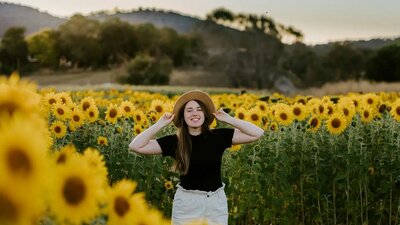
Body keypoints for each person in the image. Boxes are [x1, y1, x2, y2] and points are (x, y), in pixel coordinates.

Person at [129, 90, 264, 225]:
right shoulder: (175, 142)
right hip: (187, 204)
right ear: (183, 116)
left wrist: (229, 119)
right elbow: (136, 146)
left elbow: (257, 133)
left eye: (199, 109)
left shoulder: (219, 136)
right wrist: (159, 124)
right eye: (189, 110)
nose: (195, 113)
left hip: (216, 203)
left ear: (205, 115)